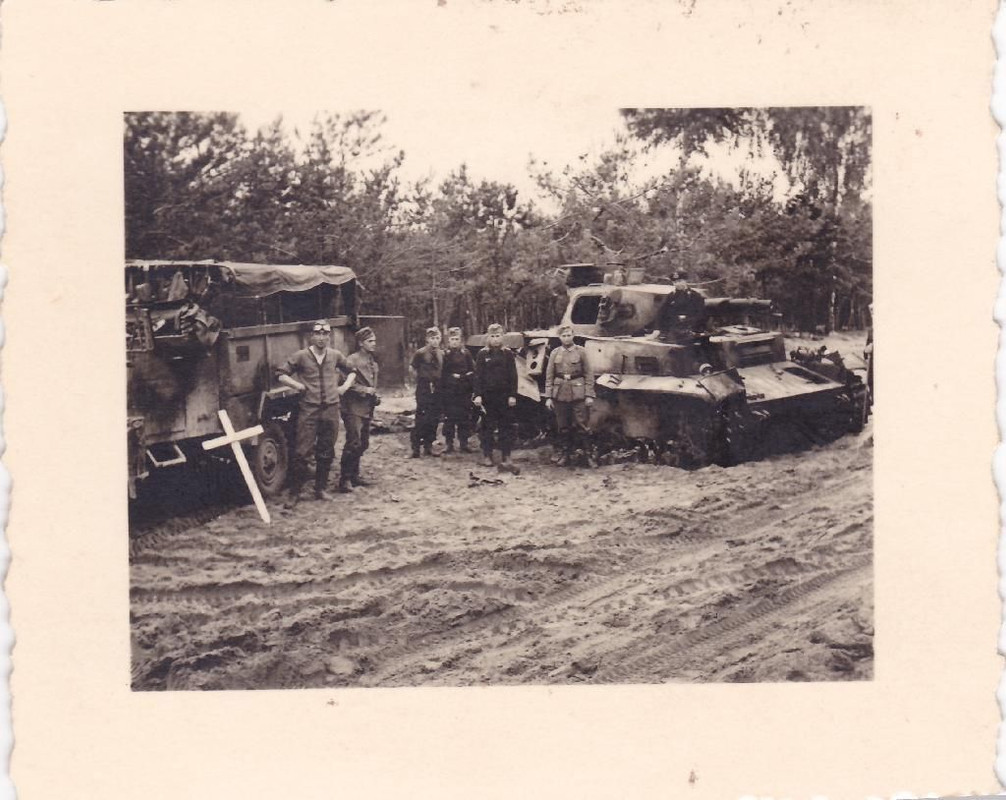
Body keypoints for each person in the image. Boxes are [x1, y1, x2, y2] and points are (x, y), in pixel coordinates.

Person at [276, 320, 356, 508]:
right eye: (318, 334)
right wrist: (297, 385)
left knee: (326, 449)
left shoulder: (335, 355)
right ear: (311, 336)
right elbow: (281, 374)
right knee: (302, 452)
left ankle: (320, 489)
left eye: (325, 334)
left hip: (331, 408)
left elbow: (352, 370)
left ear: (329, 336)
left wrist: (344, 386)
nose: (321, 338)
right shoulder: (301, 356)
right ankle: (295, 493)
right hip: (309, 409)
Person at [544, 324, 596, 467]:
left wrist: (589, 394)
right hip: (560, 393)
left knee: (582, 425)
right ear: (559, 337)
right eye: (563, 336)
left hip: (578, 392)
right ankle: (565, 454)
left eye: (569, 335)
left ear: (573, 336)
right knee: (563, 426)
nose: (566, 338)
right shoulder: (555, 353)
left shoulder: (581, 352)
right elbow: (549, 376)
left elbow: (589, 374)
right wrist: (548, 397)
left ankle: (588, 455)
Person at [473, 323, 519, 473]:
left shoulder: (508, 354)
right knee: (487, 426)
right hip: (488, 397)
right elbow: (478, 377)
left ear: (502, 337)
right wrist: (478, 395)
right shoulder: (482, 354)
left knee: (506, 426)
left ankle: (506, 455)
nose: (495, 339)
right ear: (488, 337)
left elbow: (513, 376)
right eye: (492, 336)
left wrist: (512, 395)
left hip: (504, 397)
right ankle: (487, 454)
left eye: (498, 336)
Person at [339, 326, 380, 493]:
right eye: (370, 341)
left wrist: (375, 395)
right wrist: (364, 390)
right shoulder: (351, 360)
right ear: (361, 343)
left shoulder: (371, 360)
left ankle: (354, 475)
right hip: (352, 407)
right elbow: (344, 383)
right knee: (353, 442)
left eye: (374, 341)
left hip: (367, 407)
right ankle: (345, 479)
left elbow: (372, 382)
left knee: (363, 443)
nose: (374, 343)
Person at [440, 327, 475, 453]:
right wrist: (452, 378)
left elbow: (472, 370)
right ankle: (449, 444)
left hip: (463, 391)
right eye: (452, 339)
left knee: (464, 417)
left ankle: (464, 443)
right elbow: (442, 373)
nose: (454, 342)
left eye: (457, 339)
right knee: (449, 418)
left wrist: (464, 378)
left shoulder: (466, 354)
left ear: (461, 340)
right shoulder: (445, 355)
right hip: (450, 392)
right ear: (448, 341)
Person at [410, 326, 443, 458]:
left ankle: (428, 446)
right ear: (427, 339)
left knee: (434, 417)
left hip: (437, 388)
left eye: (437, 338)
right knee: (421, 417)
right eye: (432, 338)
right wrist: (420, 380)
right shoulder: (421, 353)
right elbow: (412, 368)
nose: (435, 341)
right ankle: (416, 447)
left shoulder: (442, 353)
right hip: (424, 387)